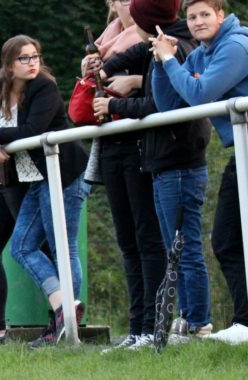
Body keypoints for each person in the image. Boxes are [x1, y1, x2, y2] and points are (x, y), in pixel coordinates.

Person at [0, 35, 90, 348]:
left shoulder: (45, 87)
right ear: (8, 65)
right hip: (33, 179)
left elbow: (33, 131)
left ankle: (65, 324)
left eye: (35, 56)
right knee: (22, 247)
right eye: (24, 58)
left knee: (61, 247)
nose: (32, 63)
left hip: (63, 175)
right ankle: (65, 310)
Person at [111, 0, 213, 343]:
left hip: (178, 161)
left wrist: (113, 105)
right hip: (166, 160)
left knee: (185, 247)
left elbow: (162, 105)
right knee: (175, 247)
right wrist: (103, 60)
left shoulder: (175, 50)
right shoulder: (159, 47)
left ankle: (197, 323)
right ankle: (188, 320)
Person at [151, 0, 248, 344]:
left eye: (206, 14)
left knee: (228, 239)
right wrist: (161, 61)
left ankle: (244, 323)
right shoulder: (203, 53)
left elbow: (200, 93)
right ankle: (244, 323)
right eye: (191, 17)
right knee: (225, 240)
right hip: (242, 151)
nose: (198, 21)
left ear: (222, 16)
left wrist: (169, 60)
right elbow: (169, 104)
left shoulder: (236, 46)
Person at [83, 0, 168, 352]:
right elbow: (94, 84)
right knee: (127, 242)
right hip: (110, 145)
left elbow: (155, 94)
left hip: (139, 143)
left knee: (147, 239)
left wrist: (128, 85)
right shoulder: (106, 38)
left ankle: (152, 325)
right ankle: (136, 328)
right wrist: (94, 68)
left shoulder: (155, 35)